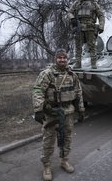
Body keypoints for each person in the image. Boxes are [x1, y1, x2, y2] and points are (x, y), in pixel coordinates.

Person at [32, 48, 85, 181]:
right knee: (49, 140)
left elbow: (78, 92)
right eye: (59, 57)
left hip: (68, 113)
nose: (62, 59)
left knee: (67, 138)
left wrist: (81, 109)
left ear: (67, 59)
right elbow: (38, 90)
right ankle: (46, 166)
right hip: (52, 113)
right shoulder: (47, 74)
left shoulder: (72, 74)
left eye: (64, 57)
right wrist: (38, 109)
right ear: (55, 59)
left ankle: (64, 160)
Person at [68, 0, 105, 69]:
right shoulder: (76, 3)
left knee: (92, 46)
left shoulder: (94, 4)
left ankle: (93, 64)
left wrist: (101, 26)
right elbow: (70, 12)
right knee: (78, 46)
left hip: (90, 27)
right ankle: (78, 63)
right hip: (79, 27)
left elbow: (101, 15)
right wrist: (72, 18)